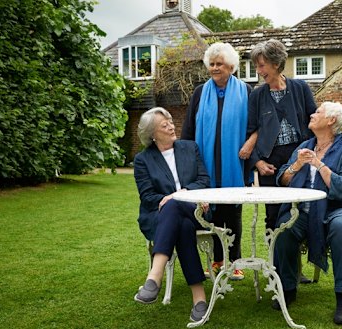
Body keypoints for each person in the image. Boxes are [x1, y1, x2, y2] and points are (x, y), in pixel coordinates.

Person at [273, 102, 342, 325]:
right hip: (305, 210)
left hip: (339, 208)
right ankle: (288, 288)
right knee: (284, 228)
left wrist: (318, 164)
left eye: (318, 112)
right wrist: (296, 165)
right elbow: (283, 179)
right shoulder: (305, 145)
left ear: (331, 120)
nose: (312, 114)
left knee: (341, 227)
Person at [181, 42, 254, 281]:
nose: (214, 68)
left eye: (219, 64)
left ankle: (234, 262)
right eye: (211, 64)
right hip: (206, 166)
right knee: (210, 214)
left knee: (232, 214)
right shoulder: (200, 93)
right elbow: (189, 130)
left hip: (235, 164)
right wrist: (187, 162)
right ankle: (215, 260)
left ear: (231, 66)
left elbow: (255, 127)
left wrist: (250, 145)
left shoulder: (246, 91)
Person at [133, 107, 210, 322]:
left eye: (170, 121)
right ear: (152, 135)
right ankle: (199, 298)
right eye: (164, 124)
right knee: (182, 226)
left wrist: (181, 194)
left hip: (195, 209)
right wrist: (172, 200)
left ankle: (154, 277)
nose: (171, 125)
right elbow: (148, 197)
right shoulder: (142, 160)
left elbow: (204, 181)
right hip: (159, 216)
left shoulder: (190, 147)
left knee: (176, 203)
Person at [247, 39, 317, 231]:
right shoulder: (256, 95)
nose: (259, 71)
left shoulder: (300, 88)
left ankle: (293, 258)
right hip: (270, 161)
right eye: (256, 67)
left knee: (301, 210)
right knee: (272, 216)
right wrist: (257, 163)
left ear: (276, 64)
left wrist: (337, 140)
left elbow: (315, 121)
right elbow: (249, 131)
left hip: (299, 156)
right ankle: (273, 260)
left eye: (261, 66)